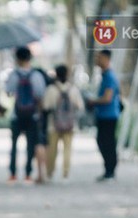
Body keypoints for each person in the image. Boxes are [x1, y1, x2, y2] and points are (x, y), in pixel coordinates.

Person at [5, 46, 47, 184]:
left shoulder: (13, 75)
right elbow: (40, 94)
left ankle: (13, 174)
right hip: (32, 115)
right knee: (30, 145)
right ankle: (28, 174)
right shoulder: (37, 75)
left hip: (16, 115)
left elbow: (9, 92)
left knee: (14, 145)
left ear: (17, 59)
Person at [42, 64, 85, 181]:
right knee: (67, 150)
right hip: (70, 126)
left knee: (52, 150)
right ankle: (65, 174)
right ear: (67, 74)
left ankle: (50, 173)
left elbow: (45, 107)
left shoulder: (51, 89)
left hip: (53, 125)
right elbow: (80, 106)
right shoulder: (73, 89)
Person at [87, 49, 121, 181]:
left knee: (107, 143)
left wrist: (93, 101)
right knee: (103, 142)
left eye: (99, 58)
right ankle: (108, 170)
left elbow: (107, 98)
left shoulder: (110, 77)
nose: (97, 61)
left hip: (109, 115)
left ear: (106, 59)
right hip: (104, 115)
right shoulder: (105, 75)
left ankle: (110, 171)